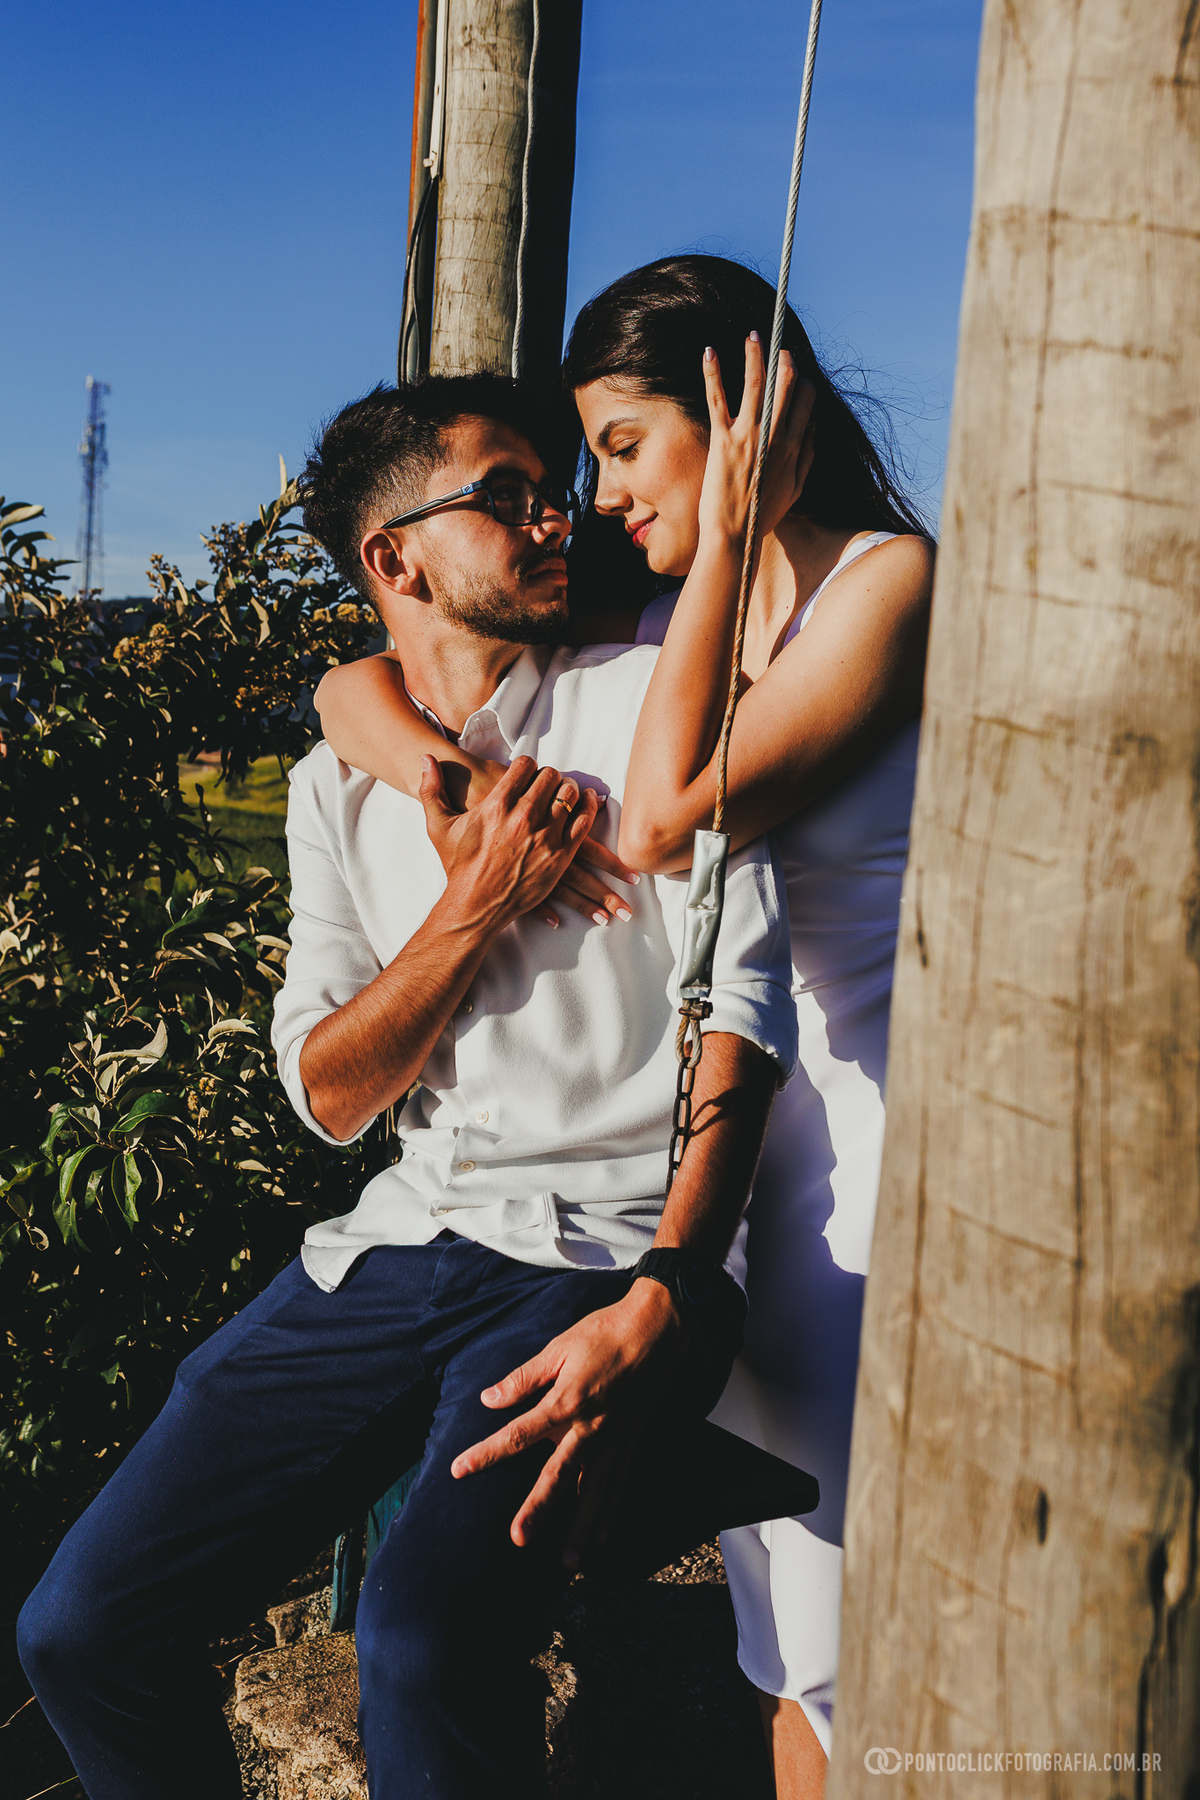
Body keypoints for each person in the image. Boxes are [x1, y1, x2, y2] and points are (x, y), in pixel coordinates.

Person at [16, 371, 800, 1800]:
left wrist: (679, 1281)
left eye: (553, 485)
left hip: (607, 1242)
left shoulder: (646, 707)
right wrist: (472, 906)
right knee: (79, 1630)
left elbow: (747, 1019)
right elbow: (328, 1090)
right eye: (504, 496)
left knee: (424, 1640)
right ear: (395, 558)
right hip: (402, 1239)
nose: (555, 515)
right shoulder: (340, 785)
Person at [313, 254, 934, 1800]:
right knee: (782, 1625)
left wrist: (724, 533)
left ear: (748, 407)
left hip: (872, 1148)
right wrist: (449, 787)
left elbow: (663, 815)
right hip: (734, 1167)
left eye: (624, 445)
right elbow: (351, 678)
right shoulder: (673, 595)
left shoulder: (888, 582)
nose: (594, 495)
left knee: (867, 1607)